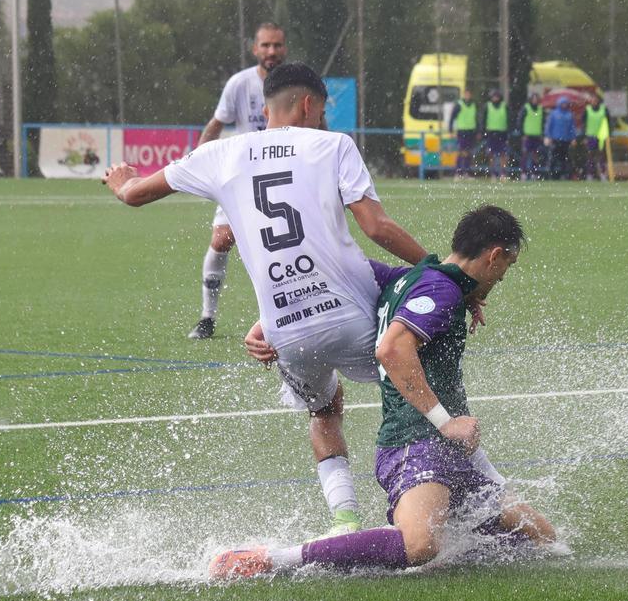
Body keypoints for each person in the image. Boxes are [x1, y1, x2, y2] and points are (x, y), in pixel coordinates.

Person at [102, 63, 429, 536]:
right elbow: (376, 227)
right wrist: (437, 269)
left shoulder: (220, 153)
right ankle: (454, 492)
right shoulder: (333, 144)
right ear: (309, 105)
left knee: (324, 410)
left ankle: (344, 521)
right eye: (321, 112)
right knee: (417, 384)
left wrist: (120, 180)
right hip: (354, 317)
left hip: (286, 332)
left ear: (264, 107)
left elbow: (134, 194)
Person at [208, 206, 559, 579]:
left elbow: (329, 280)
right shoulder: (441, 291)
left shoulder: (406, 278)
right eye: (508, 264)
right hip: (415, 443)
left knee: (542, 540)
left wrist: (268, 323)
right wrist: (446, 422)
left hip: (450, 452)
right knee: (420, 544)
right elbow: (391, 349)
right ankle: (270, 559)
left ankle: (450, 525)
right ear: (495, 255)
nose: (504, 275)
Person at [187, 23, 288, 340]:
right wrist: (198, 163)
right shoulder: (239, 84)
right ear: (255, 49)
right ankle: (206, 318)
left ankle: (285, 317)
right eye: (265, 45)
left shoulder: (296, 82)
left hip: (285, 175)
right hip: (242, 176)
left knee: (282, 249)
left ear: (284, 49)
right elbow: (214, 126)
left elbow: (319, 124)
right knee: (220, 241)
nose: (271, 51)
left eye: (277, 45)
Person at [544, 96, 577, 180]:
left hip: (566, 140)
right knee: (553, 158)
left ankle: (564, 175)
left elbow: (572, 127)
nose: (564, 105)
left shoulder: (570, 115)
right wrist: (548, 136)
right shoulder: (554, 113)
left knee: (565, 159)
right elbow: (549, 126)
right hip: (555, 139)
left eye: (566, 103)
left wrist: (573, 138)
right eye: (563, 103)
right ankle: (551, 175)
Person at [449, 88, 479, 176]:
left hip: (471, 131)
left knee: (469, 152)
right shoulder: (459, 104)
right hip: (462, 131)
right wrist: (450, 130)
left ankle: (467, 172)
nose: (467, 95)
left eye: (468, 94)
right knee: (461, 151)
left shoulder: (474, 105)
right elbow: (452, 117)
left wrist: (478, 131)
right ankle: (458, 171)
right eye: (466, 94)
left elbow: (477, 118)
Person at [516, 93, 546, 180]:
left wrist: (542, 134)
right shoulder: (526, 108)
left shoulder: (541, 109)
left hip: (537, 135)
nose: (535, 100)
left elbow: (543, 123)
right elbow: (520, 121)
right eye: (533, 99)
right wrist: (522, 133)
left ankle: (534, 172)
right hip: (527, 136)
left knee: (535, 155)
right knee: (525, 154)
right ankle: (523, 172)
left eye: (536, 99)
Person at [483, 89, 509, 179]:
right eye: (494, 96)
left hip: (502, 133)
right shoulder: (487, 106)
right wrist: (482, 131)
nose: (495, 98)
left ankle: (503, 173)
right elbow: (483, 119)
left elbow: (509, 119)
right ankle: (493, 173)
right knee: (491, 154)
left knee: (503, 154)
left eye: (497, 96)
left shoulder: (504, 106)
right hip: (491, 133)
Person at [583, 96, 608, 181]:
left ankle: (602, 174)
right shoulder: (587, 110)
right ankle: (590, 174)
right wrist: (584, 136)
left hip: (601, 137)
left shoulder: (604, 110)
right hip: (590, 136)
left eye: (596, 100)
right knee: (590, 156)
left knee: (601, 156)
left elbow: (608, 122)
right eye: (593, 100)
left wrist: (608, 134)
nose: (594, 102)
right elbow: (584, 123)